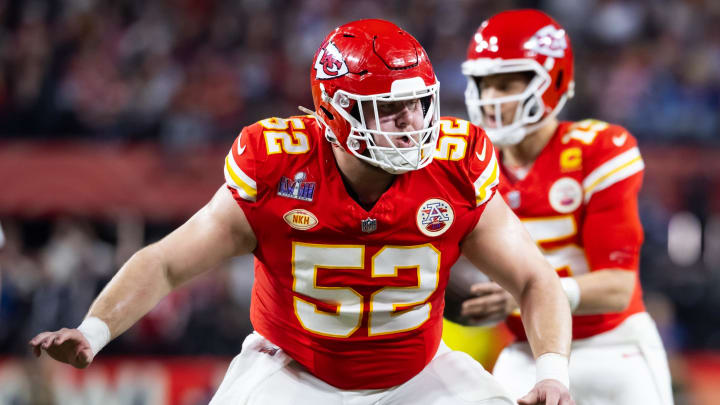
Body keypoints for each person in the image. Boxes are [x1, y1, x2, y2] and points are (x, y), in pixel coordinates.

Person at [29, 19, 575, 405]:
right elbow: (169, 262)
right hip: (294, 375)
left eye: (417, 103)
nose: (413, 123)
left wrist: (552, 374)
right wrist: (93, 331)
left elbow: (534, 280)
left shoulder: (457, 165)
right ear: (333, 115)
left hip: (419, 375)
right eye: (389, 111)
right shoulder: (277, 166)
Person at [450, 9, 674, 405]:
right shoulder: (471, 162)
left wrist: (524, 295)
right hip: (528, 350)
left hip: (613, 343)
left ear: (552, 82)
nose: (490, 99)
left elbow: (618, 287)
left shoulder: (598, 149)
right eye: (483, 85)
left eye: (505, 85)